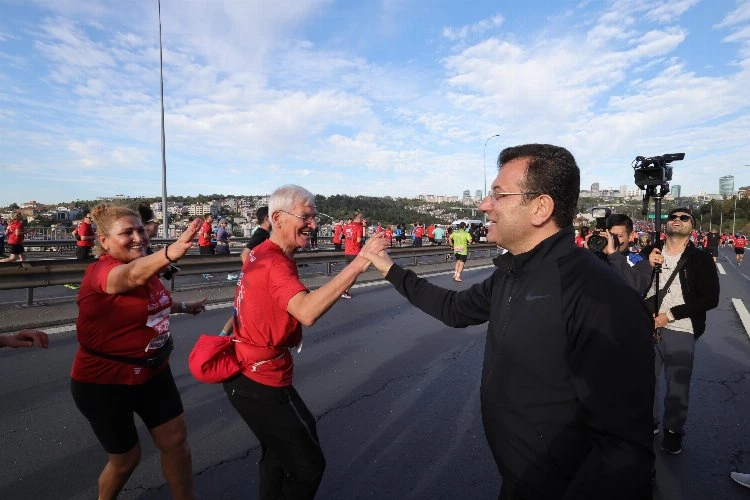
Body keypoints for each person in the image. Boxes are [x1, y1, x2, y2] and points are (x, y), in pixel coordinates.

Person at [359, 143, 655, 499]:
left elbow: (623, 452)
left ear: (540, 208)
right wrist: (390, 269)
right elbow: (454, 309)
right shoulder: (511, 274)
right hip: (517, 480)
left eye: (498, 194)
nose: (485, 205)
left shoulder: (598, 295)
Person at [223, 184, 373, 499]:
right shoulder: (274, 262)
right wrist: (360, 262)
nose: (314, 225)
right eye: (306, 216)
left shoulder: (261, 252)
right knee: (308, 465)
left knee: (278, 455)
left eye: (315, 217)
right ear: (278, 218)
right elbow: (306, 311)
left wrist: (235, 332)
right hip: (258, 378)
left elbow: (247, 300)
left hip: (250, 372)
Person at [71, 204, 207, 500]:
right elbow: (130, 277)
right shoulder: (102, 272)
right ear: (104, 241)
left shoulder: (148, 268)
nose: (138, 237)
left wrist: (185, 307)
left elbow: (154, 300)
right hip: (104, 381)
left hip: (152, 371)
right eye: (127, 232)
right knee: (126, 460)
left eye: (141, 230)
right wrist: (170, 252)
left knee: (176, 441)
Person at [645, 208, 719, 455]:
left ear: (692, 227)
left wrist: (671, 315)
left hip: (680, 328)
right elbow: (631, 280)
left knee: (677, 386)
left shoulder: (700, 259)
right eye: (672, 217)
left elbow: (710, 298)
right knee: (644, 381)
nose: (676, 220)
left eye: (683, 218)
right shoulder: (651, 251)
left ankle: (673, 431)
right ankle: (651, 423)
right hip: (647, 325)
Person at [220, 207, 272, 337]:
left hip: (248, 280)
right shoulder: (262, 234)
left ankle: (222, 338)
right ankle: (229, 342)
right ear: (266, 219)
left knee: (239, 313)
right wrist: (254, 274)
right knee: (247, 316)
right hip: (252, 282)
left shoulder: (263, 233)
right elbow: (245, 253)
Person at [341, 212, 364, 299]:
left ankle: (341, 288)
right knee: (354, 274)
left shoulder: (347, 226)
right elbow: (358, 240)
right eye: (361, 218)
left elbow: (345, 237)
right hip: (355, 252)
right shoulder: (359, 227)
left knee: (348, 272)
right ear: (358, 218)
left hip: (347, 251)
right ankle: (345, 291)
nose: (362, 219)